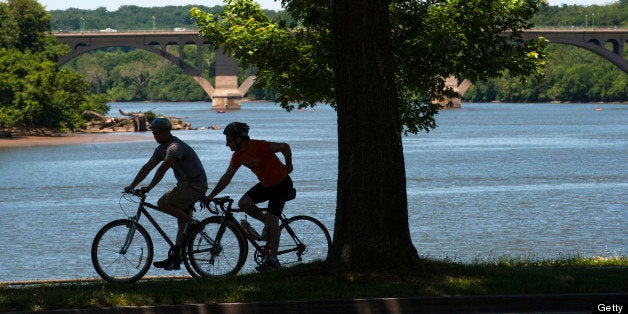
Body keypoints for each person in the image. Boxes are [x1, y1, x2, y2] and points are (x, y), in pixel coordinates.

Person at [203, 122, 294, 271]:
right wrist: (211, 195)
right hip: (266, 185)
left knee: (274, 220)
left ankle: (273, 259)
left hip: (281, 184)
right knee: (243, 203)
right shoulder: (237, 156)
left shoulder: (259, 146)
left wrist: (289, 165)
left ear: (240, 139)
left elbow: (284, 146)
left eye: (229, 140)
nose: (227, 144)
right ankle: (267, 224)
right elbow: (227, 176)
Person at [124, 117, 208, 271]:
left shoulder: (175, 147)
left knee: (163, 203)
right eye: (153, 133)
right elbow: (148, 167)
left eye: (158, 132)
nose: (155, 135)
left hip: (195, 185)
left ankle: (194, 224)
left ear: (168, 131)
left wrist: (149, 188)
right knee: (181, 223)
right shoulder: (161, 148)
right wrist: (132, 185)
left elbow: (163, 168)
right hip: (186, 185)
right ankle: (176, 258)